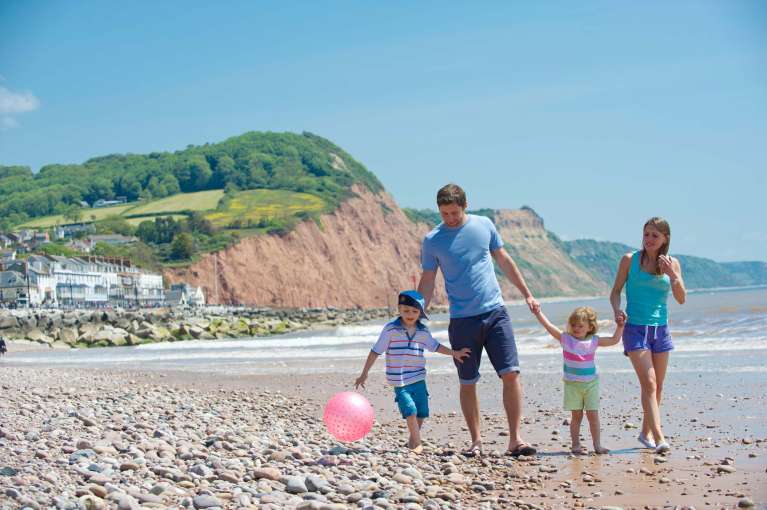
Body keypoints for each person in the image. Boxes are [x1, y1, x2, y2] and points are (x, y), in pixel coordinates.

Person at [417, 183, 540, 457]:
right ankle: (476, 441)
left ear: (465, 205)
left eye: (454, 212)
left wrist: (528, 295)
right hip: (462, 320)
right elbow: (427, 280)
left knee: (510, 373)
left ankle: (515, 439)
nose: (449, 218)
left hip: (495, 312)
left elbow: (505, 261)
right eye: (444, 213)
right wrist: (417, 312)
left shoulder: (484, 225)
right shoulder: (432, 240)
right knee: (468, 380)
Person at [354, 290, 471, 453]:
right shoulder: (391, 330)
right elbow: (375, 351)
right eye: (406, 310)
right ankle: (417, 443)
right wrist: (364, 373)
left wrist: (455, 353)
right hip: (400, 380)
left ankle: (411, 442)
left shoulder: (423, 332)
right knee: (410, 409)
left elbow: (436, 347)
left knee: (422, 412)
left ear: (420, 313)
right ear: (399, 309)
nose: (410, 314)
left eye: (415, 311)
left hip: (418, 377)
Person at [610, 217, 686, 454]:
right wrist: (617, 310)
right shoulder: (629, 260)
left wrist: (672, 276)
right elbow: (615, 292)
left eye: (655, 235)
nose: (649, 239)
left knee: (657, 387)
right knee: (650, 383)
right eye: (646, 234)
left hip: (660, 330)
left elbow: (681, 298)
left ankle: (645, 433)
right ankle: (659, 437)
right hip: (635, 330)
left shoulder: (673, 263)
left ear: (665, 238)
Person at [533, 306, 624, 454]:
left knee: (593, 416)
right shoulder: (566, 339)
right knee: (576, 417)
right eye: (573, 324)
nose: (576, 328)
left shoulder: (594, 341)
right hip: (572, 385)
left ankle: (597, 445)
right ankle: (575, 444)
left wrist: (620, 326)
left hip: (591, 385)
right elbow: (548, 326)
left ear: (590, 327)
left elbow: (614, 340)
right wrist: (538, 313)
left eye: (580, 325)